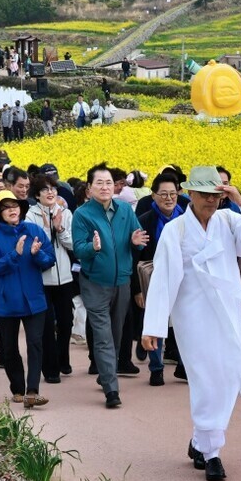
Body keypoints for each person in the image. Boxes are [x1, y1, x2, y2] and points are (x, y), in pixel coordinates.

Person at [141, 166, 241, 481]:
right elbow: (164, 279)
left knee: (228, 378)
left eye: (217, 195)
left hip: (228, 314)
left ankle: (201, 441)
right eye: (205, 195)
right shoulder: (176, 231)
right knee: (204, 380)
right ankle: (212, 453)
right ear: (191, 194)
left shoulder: (230, 222)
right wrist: (154, 327)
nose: (211, 201)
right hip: (193, 317)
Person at [72, 162, 150, 409]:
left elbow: (137, 239)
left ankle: (106, 372)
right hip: (95, 283)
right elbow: (79, 250)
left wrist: (136, 241)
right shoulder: (82, 215)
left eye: (108, 183)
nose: (104, 187)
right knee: (104, 337)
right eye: (99, 183)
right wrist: (92, 248)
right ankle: (111, 389)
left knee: (115, 335)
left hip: (122, 282)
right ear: (89, 187)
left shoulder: (125, 210)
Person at [0, 190, 56, 408]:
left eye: (14, 205)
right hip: (7, 302)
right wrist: (15, 254)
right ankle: (17, 388)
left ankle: (32, 391)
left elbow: (49, 260)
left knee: (36, 344)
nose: (12, 210)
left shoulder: (35, 230)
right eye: (6, 207)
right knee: (9, 348)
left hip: (35, 299)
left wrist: (37, 254)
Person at [131, 171, 184, 386]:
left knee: (184, 324)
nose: (169, 198)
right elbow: (135, 258)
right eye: (163, 194)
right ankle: (156, 368)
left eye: (173, 193)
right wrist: (137, 290)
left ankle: (183, 366)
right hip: (154, 280)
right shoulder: (145, 221)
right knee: (156, 322)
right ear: (153, 196)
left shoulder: (186, 218)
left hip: (183, 279)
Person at [25, 174, 75, 383]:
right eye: (45, 189)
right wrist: (46, 228)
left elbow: (73, 244)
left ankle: (63, 359)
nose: (50, 192)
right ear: (37, 195)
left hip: (64, 277)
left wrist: (59, 228)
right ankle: (50, 368)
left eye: (53, 188)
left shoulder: (66, 213)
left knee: (66, 321)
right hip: (42, 279)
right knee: (45, 325)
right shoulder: (30, 216)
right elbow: (34, 247)